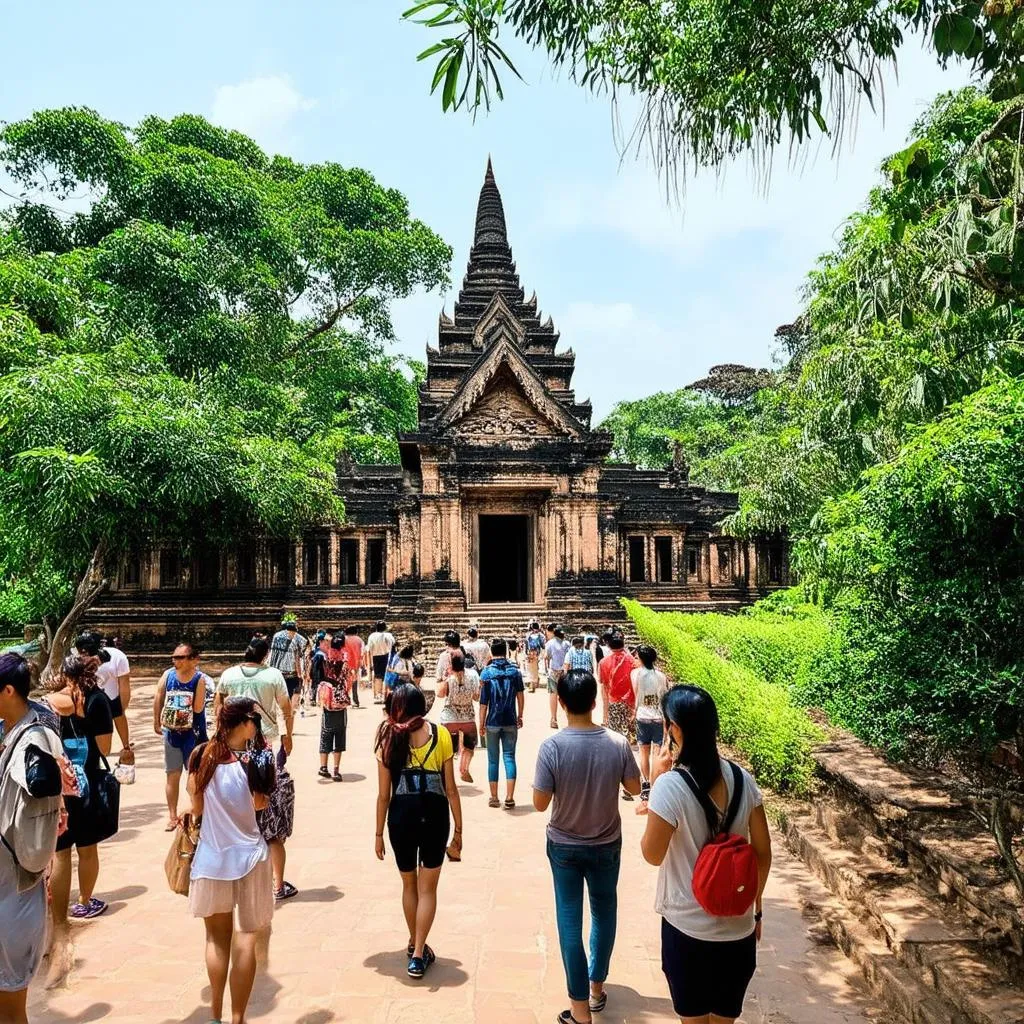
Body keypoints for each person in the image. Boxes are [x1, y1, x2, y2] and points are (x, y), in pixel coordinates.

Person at [641, 685, 773, 1024]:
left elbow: (652, 854)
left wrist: (656, 783)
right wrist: (755, 909)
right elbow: (763, 852)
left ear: (676, 730)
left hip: (688, 928)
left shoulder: (671, 786)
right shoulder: (743, 779)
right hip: (738, 931)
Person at [534, 670, 642, 1024]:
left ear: (562, 704)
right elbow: (634, 787)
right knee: (604, 911)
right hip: (606, 842)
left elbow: (539, 802)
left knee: (569, 920)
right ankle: (596, 987)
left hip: (564, 843)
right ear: (595, 702)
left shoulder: (552, 747)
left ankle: (579, 1009)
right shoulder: (616, 742)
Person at [187, 696, 276, 1024]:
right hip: (251, 858)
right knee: (246, 938)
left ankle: (215, 1014)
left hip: (212, 859)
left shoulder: (201, 755)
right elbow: (260, 805)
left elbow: (195, 806)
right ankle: (238, 1018)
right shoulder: (256, 761)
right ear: (245, 723)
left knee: (215, 939)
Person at [374, 684, 464, 979]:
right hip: (435, 815)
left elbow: (383, 795)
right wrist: (459, 831)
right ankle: (417, 952)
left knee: (409, 885)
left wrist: (377, 834)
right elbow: (451, 789)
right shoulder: (440, 736)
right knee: (428, 889)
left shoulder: (387, 737)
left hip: (400, 817)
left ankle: (415, 942)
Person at [0, 652, 64, 1023]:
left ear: (8, 690)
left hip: (16, 888)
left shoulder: (32, 741)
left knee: (10, 1005)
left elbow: (42, 781)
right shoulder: (12, 733)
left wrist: (56, 773)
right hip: (9, 884)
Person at [216, 637, 297, 902]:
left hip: (232, 747)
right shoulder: (273, 675)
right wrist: (289, 734)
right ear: (266, 655)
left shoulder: (228, 674)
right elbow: (286, 707)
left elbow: (218, 704)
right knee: (268, 814)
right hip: (265, 744)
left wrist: (221, 734)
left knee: (239, 809)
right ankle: (277, 884)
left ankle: (240, 879)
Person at [48, 655, 115, 932]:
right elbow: (105, 748)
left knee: (61, 854)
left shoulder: (50, 702)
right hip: (87, 784)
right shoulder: (98, 700)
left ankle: (58, 917)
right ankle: (85, 901)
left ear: (64, 675)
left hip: (58, 786)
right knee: (87, 850)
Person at [153, 642, 210, 830]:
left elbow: (199, 708)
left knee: (194, 776)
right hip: (172, 733)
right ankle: (172, 815)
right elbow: (158, 697)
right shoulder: (167, 675)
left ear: (194, 660)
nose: (175, 660)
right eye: (174, 657)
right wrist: (157, 721)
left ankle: (197, 812)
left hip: (193, 734)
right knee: (172, 775)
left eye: (180, 657)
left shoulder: (199, 679)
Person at [478, 638, 525, 809]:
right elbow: (520, 695)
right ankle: (510, 796)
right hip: (510, 719)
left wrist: (481, 723)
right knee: (509, 757)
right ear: (505, 651)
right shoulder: (515, 672)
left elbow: (483, 703)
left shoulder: (486, 673)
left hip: (492, 721)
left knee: (492, 760)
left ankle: (494, 797)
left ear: (491, 651)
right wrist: (520, 715)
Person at [76, 632, 132, 756]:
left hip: (111, 693)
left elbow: (124, 684)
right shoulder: (76, 660)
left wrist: (123, 706)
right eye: (81, 652)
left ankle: (126, 745)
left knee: (119, 715)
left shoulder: (118, 657)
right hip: (90, 695)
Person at [599, 632, 637, 799]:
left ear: (608, 646)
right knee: (629, 742)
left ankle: (614, 777)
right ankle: (629, 783)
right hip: (631, 703)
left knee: (615, 741)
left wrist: (605, 713)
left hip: (614, 702)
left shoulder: (604, 662)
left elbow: (604, 687)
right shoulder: (633, 661)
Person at [632, 646, 668, 812]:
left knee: (643, 752)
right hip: (658, 717)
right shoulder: (662, 676)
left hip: (642, 716)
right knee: (656, 753)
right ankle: (655, 787)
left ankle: (646, 785)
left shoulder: (636, 674)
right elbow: (665, 696)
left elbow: (636, 694)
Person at [437, 652, 480, 783]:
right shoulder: (473, 676)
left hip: (449, 717)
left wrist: (443, 679)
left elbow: (440, 694)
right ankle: (464, 769)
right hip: (467, 717)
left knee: (447, 749)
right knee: (469, 747)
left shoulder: (449, 678)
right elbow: (476, 697)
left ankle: (446, 774)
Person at [317, 634, 350, 781]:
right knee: (340, 735)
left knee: (325, 733)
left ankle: (323, 767)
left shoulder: (325, 660)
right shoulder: (344, 662)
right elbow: (347, 681)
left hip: (328, 701)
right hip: (340, 702)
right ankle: (336, 770)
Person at [268, 620, 309, 718]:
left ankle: (281, 715)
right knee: (289, 697)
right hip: (290, 673)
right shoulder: (295, 637)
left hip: (275, 672)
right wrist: (301, 674)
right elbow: (299, 655)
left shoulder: (276, 636)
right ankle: (286, 718)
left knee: (277, 697)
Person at [544, 625, 571, 730]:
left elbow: (546, 657)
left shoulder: (549, 643)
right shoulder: (567, 644)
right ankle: (570, 717)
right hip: (564, 672)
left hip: (553, 672)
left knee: (553, 695)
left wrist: (546, 669)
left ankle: (553, 718)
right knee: (565, 696)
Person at [367, 621, 396, 704]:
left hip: (376, 657)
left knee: (378, 677)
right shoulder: (388, 635)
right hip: (387, 656)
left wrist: (370, 663)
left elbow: (369, 649)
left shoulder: (372, 636)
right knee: (386, 677)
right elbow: (394, 645)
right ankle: (385, 695)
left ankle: (378, 695)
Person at [343, 625, 364, 708]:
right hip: (355, 663)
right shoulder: (359, 640)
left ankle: (345, 698)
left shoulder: (343, 639)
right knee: (354, 682)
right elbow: (362, 653)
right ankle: (355, 700)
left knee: (345, 682)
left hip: (345, 663)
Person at [523, 620, 545, 693]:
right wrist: (526, 653)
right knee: (531, 669)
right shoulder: (529, 635)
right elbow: (526, 644)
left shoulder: (540, 636)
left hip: (536, 653)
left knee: (534, 669)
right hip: (531, 653)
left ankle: (533, 683)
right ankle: (532, 683)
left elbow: (542, 645)